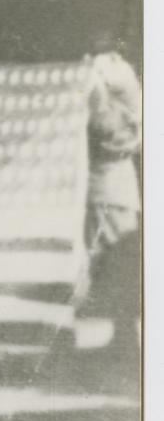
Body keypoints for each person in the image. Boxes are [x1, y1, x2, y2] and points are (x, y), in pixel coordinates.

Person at [82, 49, 142, 377]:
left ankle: (127, 338)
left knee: (120, 264)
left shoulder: (119, 81)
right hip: (101, 188)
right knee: (103, 263)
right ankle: (120, 337)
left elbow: (110, 123)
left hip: (114, 188)